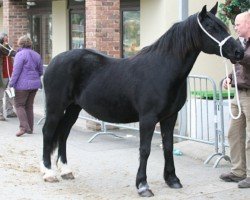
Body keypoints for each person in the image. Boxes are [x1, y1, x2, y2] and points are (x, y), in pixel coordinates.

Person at [220, 11, 250, 188]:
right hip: (238, 94)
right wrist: (229, 77)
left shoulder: (242, 48)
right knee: (234, 133)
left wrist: (235, 53)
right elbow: (239, 65)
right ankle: (238, 172)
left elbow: (247, 60)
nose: (235, 27)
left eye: (238, 24)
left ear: (248, 24)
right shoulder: (242, 44)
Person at [9, 35, 43, 137]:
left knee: (19, 105)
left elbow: (16, 71)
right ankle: (30, 128)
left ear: (20, 43)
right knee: (29, 106)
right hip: (35, 85)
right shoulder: (37, 55)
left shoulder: (20, 55)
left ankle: (23, 127)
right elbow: (41, 71)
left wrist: (11, 84)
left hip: (22, 85)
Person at [0, 33, 17, 121]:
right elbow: (12, 53)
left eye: (7, 38)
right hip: (1, 75)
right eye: (5, 39)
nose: (7, 40)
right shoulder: (2, 48)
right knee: (0, 94)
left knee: (10, 93)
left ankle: (9, 111)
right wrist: (7, 46)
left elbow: (13, 53)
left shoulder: (7, 47)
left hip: (9, 74)